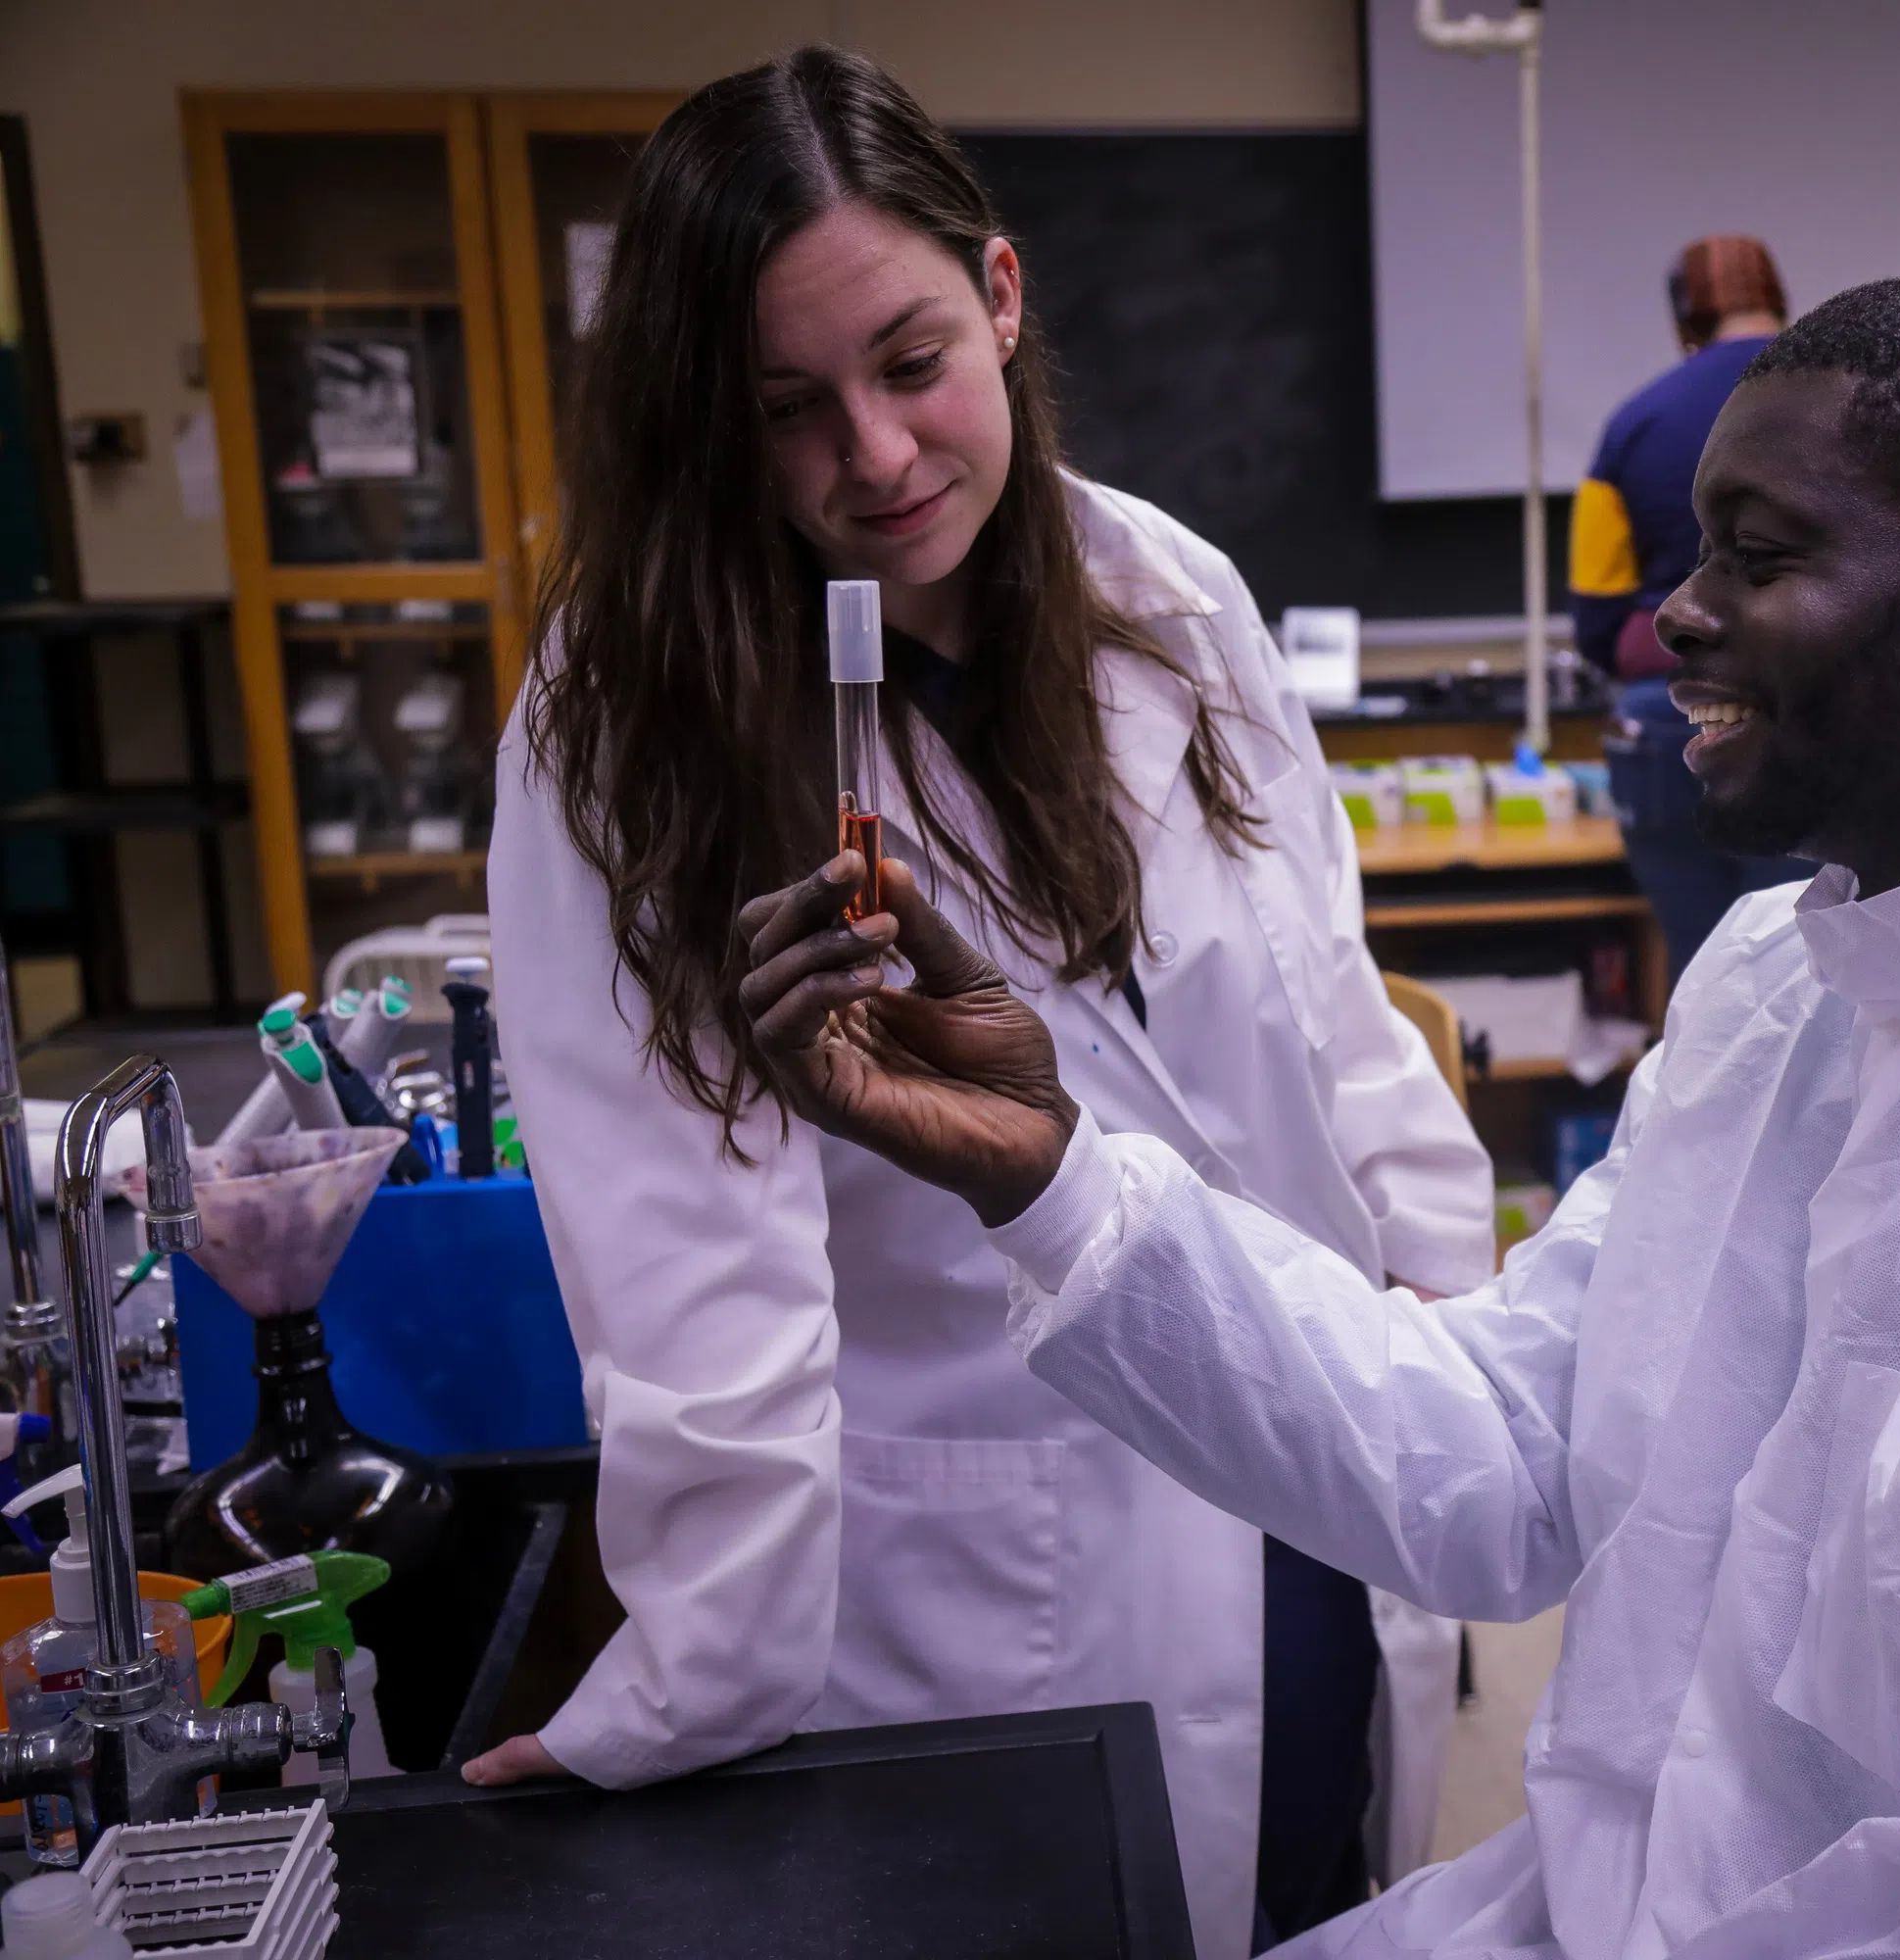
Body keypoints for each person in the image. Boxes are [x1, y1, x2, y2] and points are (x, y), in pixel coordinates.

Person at [735, 275, 1900, 1957]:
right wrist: (1052, 1180)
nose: (1675, 621)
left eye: (1759, 555)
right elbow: (1496, 1462)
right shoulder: (1782, 992)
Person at [467, 48, 1493, 1959]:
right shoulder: (629, 731)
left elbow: (1328, 1017)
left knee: (1325, 1903)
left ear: (1002, 299)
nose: (873, 456)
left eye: (914, 361)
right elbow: (688, 1261)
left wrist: (1452, 1377)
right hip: (994, 1568)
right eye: (787, 409)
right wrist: (690, 1686)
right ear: (705, 417)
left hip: (1309, 1492)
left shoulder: (1167, 597)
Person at [1570, 235, 1809, 978]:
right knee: (1814, 976)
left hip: (1669, 720)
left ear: (1684, 322)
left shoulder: (1632, 426)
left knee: (1702, 977)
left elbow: (1596, 617)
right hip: (1811, 711)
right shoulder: (1846, 404)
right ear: (1780, 304)